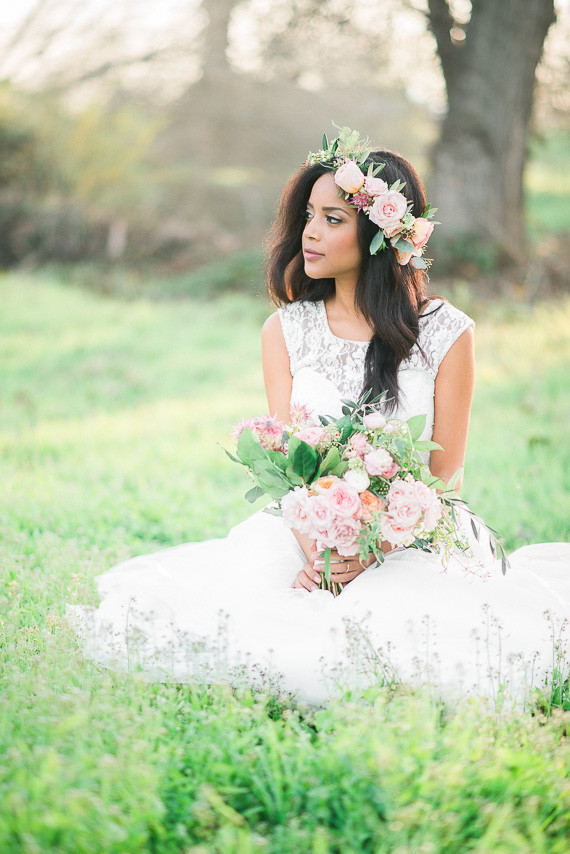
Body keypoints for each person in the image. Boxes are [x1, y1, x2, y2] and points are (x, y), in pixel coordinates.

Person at [69, 129, 570, 705]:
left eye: (333, 218)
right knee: (242, 624)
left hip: (414, 536)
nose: (309, 231)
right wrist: (322, 550)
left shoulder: (447, 331)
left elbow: (448, 474)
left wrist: (375, 546)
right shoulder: (286, 330)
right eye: (308, 214)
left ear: (382, 232)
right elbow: (289, 467)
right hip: (306, 536)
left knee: (430, 640)